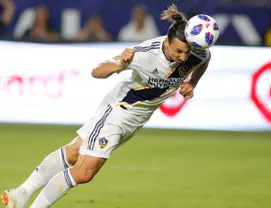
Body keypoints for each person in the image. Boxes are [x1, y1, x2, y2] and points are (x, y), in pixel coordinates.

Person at [1, 4, 212, 208]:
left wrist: (192, 83)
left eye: (186, 53)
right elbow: (97, 71)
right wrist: (121, 64)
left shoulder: (196, 51)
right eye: (178, 52)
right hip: (117, 112)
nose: (182, 57)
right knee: (85, 171)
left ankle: (21, 194)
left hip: (134, 120)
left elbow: (204, 58)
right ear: (167, 41)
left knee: (74, 152)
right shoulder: (145, 54)